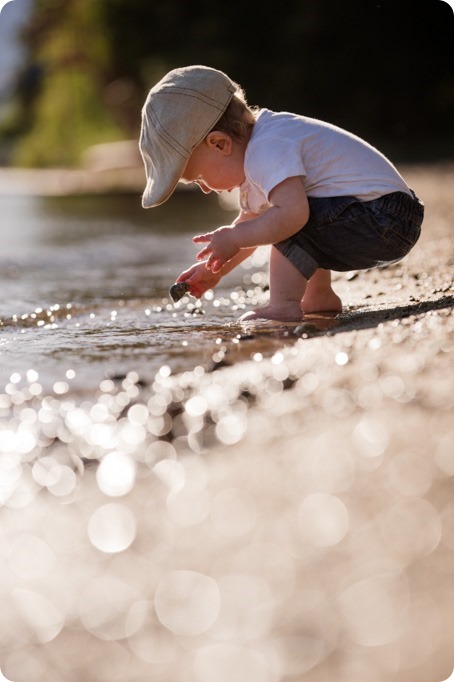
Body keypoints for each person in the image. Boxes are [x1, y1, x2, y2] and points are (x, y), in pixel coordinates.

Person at [139, 65, 424, 322]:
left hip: (383, 218)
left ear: (220, 144)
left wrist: (235, 237)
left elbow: (291, 216)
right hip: (385, 216)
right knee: (283, 217)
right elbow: (251, 229)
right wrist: (215, 270)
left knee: (287, 218)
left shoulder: (267, 148)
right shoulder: (258, 151)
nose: (205, 189)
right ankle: (319, 296)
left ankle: (284, 305)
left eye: (199, 177)